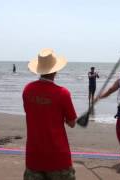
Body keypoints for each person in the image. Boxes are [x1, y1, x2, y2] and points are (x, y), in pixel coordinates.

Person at [23, 48, 77, 180]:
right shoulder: (62, 93)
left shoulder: (27, 90)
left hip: (34, 155)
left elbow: (32, 112)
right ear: (55, 70)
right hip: (58, 156)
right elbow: (72, 123)